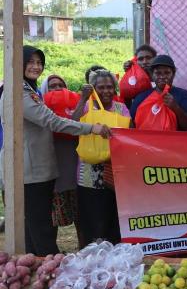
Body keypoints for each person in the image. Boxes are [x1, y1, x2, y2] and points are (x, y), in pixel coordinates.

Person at [0, 46, 110, 256]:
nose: (36, 66)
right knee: (40, 226)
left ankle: (37, 263)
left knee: (33, 226)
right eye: (30, 62)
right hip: (30, 171)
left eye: (39, 62)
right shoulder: (20, 91)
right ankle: (51, 267)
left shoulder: (25, 89)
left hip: (30, 168)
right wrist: (92, 128)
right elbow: (51, 121)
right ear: (18, 63)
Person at [72, 69, 129, 246]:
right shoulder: (87, 106)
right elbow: (73, 124)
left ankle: (113, 254)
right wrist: (82, 98)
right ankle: (92, 253)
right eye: (101, 87)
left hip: (114, 171)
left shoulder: (122, 109)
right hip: (89, 174)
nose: (106, 91)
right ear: (94, 89)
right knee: (92, 217)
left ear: (115, 89)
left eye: (110, 87)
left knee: (112, 217)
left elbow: (129, 134)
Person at [40, 74, 85, 248]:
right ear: (45, 89)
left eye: (61, 84)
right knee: (53, 218)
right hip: (54, 171)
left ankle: (83, 248)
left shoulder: (73, 104)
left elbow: (75, 124)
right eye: (52, 86)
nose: (57, 88)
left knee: (80, 215)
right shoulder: (41, 108)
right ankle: (53, 251)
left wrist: (82, 101)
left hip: (74, 169)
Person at [130, 55, 187, 131]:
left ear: (173, 74)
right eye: (158, 73)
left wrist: (175, 107)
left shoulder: (184, 95)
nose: (162, 76)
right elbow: (132, 126)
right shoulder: (141, 97)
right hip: (145, 142)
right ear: (152, 75)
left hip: (174, 142)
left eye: (167, 73)